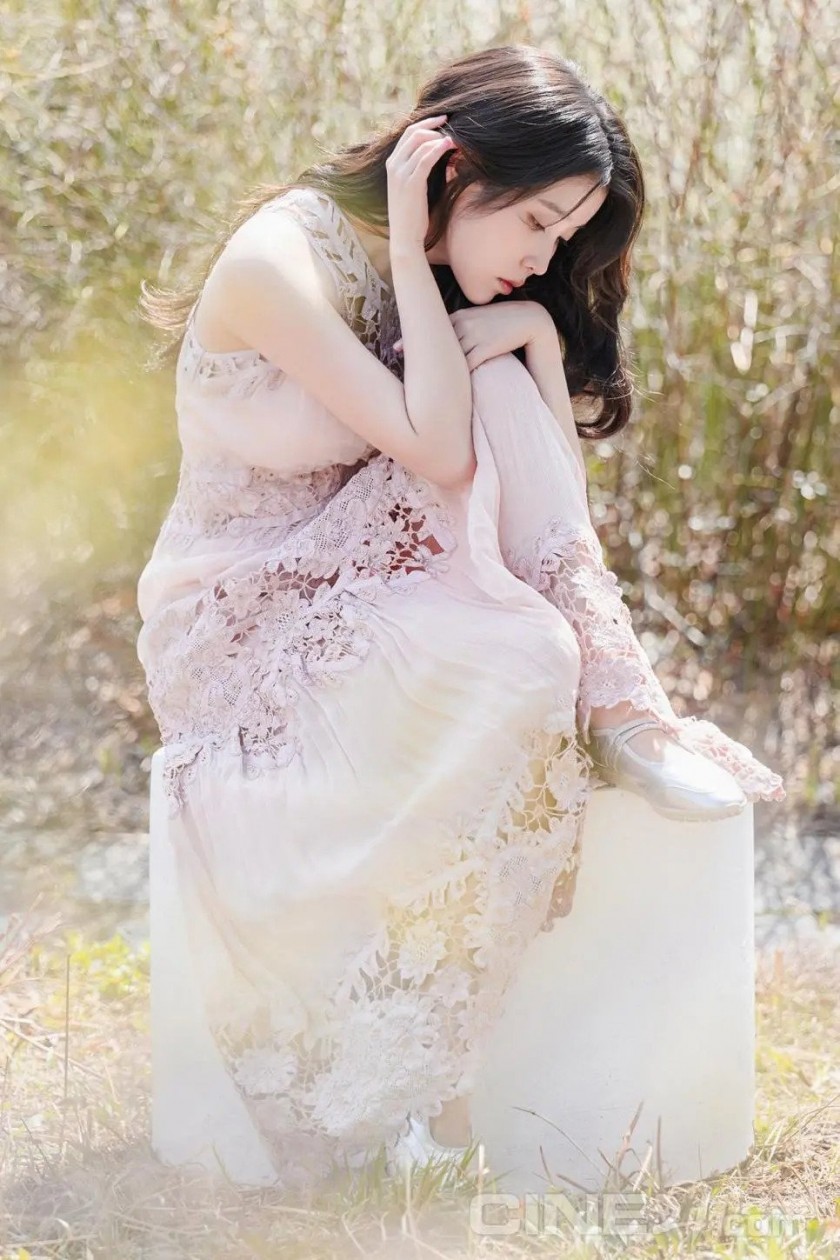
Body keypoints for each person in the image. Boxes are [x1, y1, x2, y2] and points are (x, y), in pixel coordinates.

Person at [136, 44, 785, 1194]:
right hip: (243, 611)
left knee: (523, 575)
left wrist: (534, 334)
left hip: (364, 575)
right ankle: (615, 711)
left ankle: (618, 706)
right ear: (452, 170)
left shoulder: (459, 275)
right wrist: (406, 244)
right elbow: (436, 453)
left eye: (564, 239)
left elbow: (544, 484)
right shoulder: (279, 258)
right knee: (523, 642)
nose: (544, 257)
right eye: (535, 222)